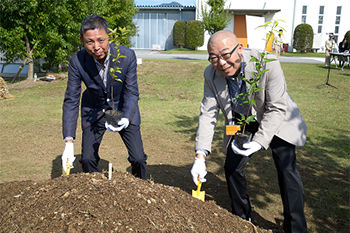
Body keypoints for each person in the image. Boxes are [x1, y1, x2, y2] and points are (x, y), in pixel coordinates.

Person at [190, 30, 307, 233]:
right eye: (214, 58)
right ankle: (242, 219)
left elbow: (277, 107)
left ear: (240, 49)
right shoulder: (210, 74)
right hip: (242, 120)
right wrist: (200, 156)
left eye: (226, 55)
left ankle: (296, 228)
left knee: (286, 169)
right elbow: (208, 114)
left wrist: (260, 141)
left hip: (276, 117)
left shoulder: (267, 62)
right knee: (232, 167)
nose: (222, 63)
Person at [61, 15, 147, 180]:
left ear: (110, 36)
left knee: (138, 158)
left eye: (101, 40)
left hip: (121, 108)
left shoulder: (126, 56)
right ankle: (94, 192)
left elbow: (131, 91)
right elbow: (71, 100)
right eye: (89, 42)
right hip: (94, 109)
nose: (96, 47)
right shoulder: (77, 62)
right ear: (82, 40)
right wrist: (69, 141)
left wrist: (127, 118)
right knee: (87, 159)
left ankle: (140, 190)